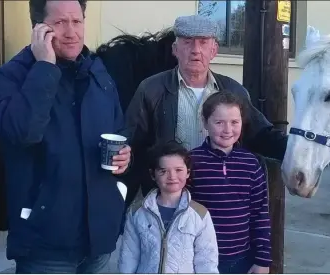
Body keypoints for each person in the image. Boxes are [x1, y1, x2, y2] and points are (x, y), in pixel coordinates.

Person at [0, 0, 131, 273]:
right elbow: (22, 132)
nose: (71, 31)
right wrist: (45, 68)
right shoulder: (11, 76)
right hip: (45, 243)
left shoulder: (98, 72)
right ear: (38, 27)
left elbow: (119, 129)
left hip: (99, 238)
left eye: (77, 21)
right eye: (60, 22)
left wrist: (124, 156)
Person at [123, 14, 287, 204]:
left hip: (219, 196)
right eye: (187, 42)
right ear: (175, 50)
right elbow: (132, 141)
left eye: (203, 42)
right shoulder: (151, 89)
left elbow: (260, 134)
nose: (195, 50)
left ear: (214, 50)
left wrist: (297, 149)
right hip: (169, 197)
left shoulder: (233, 91)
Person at [188, 91, 271, 274]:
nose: (227, 130)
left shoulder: (251, 164)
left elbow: (260, 215)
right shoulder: (191, 162)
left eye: (234, 122)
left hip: (241, 260)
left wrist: (262, 260)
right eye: (219, 122)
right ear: (205, 123)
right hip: (199, 259)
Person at [118, 141, 219, 274]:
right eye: (163, 171)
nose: (172, 177)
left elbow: (207, 263)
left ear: (188, 172)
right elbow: (128, 258)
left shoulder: (200, 214)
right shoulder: (137, 212)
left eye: (178, 170)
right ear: (153, 174)